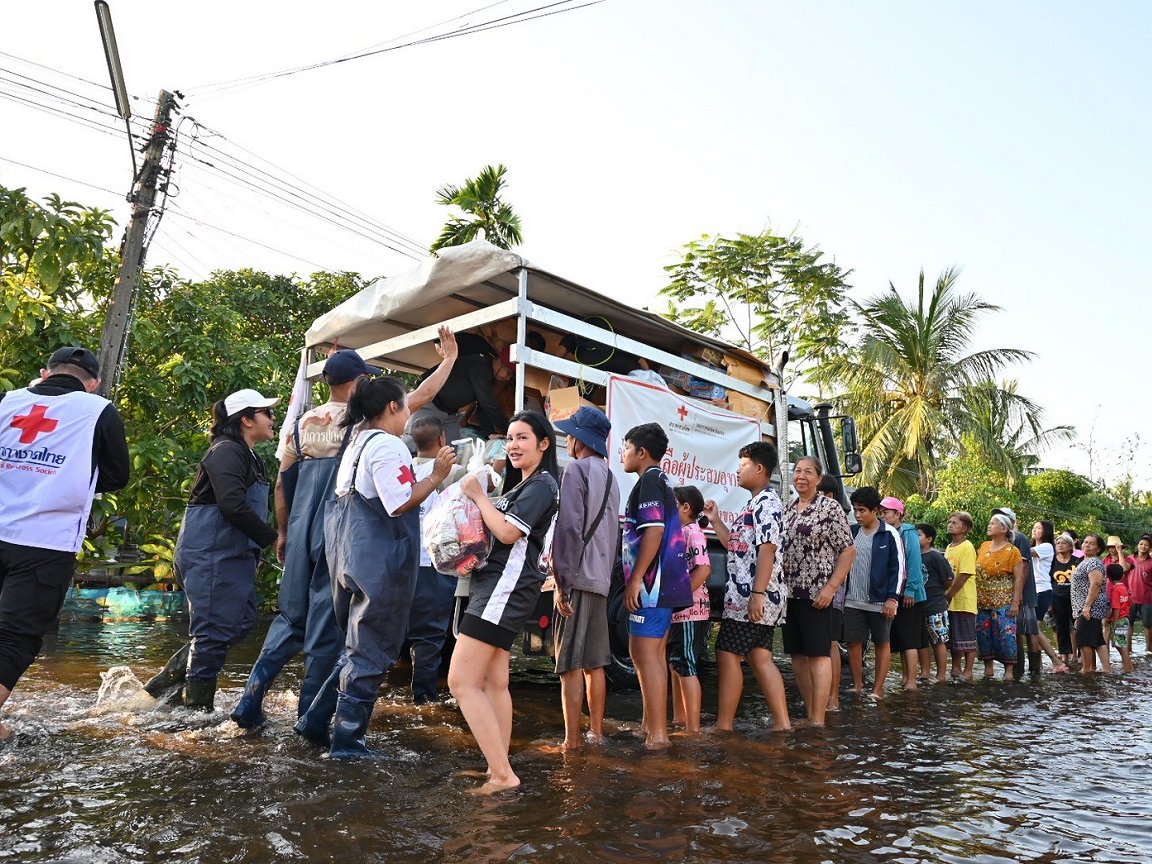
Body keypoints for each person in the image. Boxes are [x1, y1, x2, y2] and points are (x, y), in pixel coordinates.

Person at [231, 331, 458, 728]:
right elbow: (418, 395)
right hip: (336, 532)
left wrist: (283, 534)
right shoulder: (360, 425)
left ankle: (250, 700)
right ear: (356, 387)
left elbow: (284, 483)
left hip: (301, 527)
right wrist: (449, 361)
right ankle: (310, 721)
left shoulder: (301, 425)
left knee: (289, 618)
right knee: (326, 629)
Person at [294, 376, 456, 757]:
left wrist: (447, 362)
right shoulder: (387, 445)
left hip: (346, 554)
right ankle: (348, 743)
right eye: (405, 406)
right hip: (377, 562)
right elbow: (399, 502)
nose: (409, 417)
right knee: (370, 652)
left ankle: (315, 722)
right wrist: (436, 475)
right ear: (393, 408)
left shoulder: (355, 443)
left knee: (355, 648)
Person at [0, 347, 130, 739]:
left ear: (44, 372)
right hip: (46, 541)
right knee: (15, 635)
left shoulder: (7, 401)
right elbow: (116, 475)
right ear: (93, 382)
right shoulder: (97, 409)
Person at [143, 389, 281, 711]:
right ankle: (196, 711)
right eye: (266, 413)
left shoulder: (250, 456)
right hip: (210, 553)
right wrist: (271, 539)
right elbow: (231, 505)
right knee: (212, 632)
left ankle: (166, 684)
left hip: (234, 555)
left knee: (243, 619)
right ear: (246, 419)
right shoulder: (226, 451)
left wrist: (253, 551)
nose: (273, 418)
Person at [446, 410, 560, 792]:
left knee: (461, 681)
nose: (513, 445)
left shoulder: (542, 486)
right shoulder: (523, 485)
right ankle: (499, 765)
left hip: (504, 591)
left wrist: (478, 495)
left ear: (544, 443)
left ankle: (503, 775)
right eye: (509, 438)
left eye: (523, 437)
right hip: (496, 587)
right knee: (495, 683)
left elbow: (509, 533)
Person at [702, 441, 790, 731]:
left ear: (760, 468)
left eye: (743, 466)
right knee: (759, 656)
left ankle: (724, 726)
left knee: (727, 652)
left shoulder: (767, 504)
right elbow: (735, 547)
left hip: (751, 597)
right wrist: (715, 521)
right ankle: (782, 724)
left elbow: (768, 549)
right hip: (749, 596)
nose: (738, 471)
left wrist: (757, 594)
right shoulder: (753, 504)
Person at [620, 423, 694, 748]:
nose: (623, 454)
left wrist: (636, 578)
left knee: (643, 653)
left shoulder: (650, 480)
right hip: (664, 585)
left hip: (653, 584)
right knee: (654, 654)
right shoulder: (660, 480)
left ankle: (659, 736)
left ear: (642, 452)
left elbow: (654, 531)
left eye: (626, 447)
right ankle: (650, 726)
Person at [550, 407, 620, 750]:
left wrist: (562, 582)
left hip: (577, 579)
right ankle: (596, 732)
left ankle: (571, 741)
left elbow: (569, 528)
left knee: (569, 665)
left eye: (570, 434)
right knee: (595, 664)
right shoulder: (611, 476)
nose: (567, 439)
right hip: (601, 582)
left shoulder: (575, 470)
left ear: (579, 439)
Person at [781, 456, 853, 726]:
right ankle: (812, 711)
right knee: (798, 655)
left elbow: (848, 550)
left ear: (818, 478)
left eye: (808, 472)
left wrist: (831, 588)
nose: (801, 476)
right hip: (788, 593)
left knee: (819, 654)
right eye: (797, 471)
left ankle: (819, 718)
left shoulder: (829, 508)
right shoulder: (788, 508)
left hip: (817, 594)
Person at [404, 415, 467, 704]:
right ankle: (423, 700)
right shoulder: (449, 472)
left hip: (402, 563)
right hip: (433, 565)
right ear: (442, 441)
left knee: (394, 633)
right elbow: (487, 479)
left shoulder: (401, 470)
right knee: (429, 637)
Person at [842, 487, 902, 699]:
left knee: (881, 642)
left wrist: (892, 598)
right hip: (852, 599)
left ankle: (878, 689)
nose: (858, 515)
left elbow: (898, 568)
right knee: (853, 642)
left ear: (875, 510)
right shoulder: (851, 532)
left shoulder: (889, 533)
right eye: (855, 510)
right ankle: (858, 685)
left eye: (862, 510)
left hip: (880, 601)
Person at [407, 331, 512, 442]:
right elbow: (487, 402)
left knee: (451, 450)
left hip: (449, 413)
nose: (508, 378)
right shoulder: (481, 365)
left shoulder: (488, 376)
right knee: (416, 443)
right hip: (431, 405)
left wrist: (490, 432)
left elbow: (483, 405)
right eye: (509, 373)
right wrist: (509, 430)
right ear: (500, 362)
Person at [668, 485, 711, 734]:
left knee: (686, 666)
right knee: (676, 664)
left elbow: (703, 569)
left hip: (690, 611)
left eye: (674, 503)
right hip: (680, 610)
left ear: (686, 507)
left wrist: (680, 598)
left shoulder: (692, 533)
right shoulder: (682, 531)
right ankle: (678, 719)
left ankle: (693, 728)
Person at [880, 496, 925, 689]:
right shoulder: (890, 532)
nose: (883, 515)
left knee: (909, 638)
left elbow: (913, 562)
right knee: (900, 637)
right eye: (881, 512)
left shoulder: (908, 532)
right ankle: (906, 677)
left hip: (909, 593)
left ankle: (912, 681)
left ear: (898, 514)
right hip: (897, 593)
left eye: (886, 512)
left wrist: (910, 591)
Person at [974, 513, 1025, 680]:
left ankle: (1009, 670)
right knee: (983, 634)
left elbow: (1019, 578)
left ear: (1004, 528)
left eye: (993, 523)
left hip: (1003, 601)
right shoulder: (983, 546)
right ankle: (988, 669)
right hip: (982, 600)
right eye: (989, 523)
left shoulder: (1012, 551)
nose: (989, 526)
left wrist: (1015, 602)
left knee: (1005, 634)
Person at [944, 511, 979, 681]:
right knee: (954, 637)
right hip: (950, 600)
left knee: (967, 638)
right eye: (950, 522)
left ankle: (969, 670)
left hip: (964, 600)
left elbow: (964, 574)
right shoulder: (949, 547)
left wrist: (950, 594)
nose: (950, 524)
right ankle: (955, 668)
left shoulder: (967, 546)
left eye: (955, 523)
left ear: (965, 528)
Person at [917, 523, 953, 684]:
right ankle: (925, 672)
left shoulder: (936, 556)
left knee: (939, 640)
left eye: (919, 535)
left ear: (929, 539)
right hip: (919, 605)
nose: (915, 538)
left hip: (936, 604)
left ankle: (941, 674)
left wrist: (939, 593)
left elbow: (948, 580)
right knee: (921, 640)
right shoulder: (914, 556)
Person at [1071, 533, 1111, 674]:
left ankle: (1086, 670)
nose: (1087, 545)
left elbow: (1096, 583)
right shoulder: (1086, 561)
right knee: (1098, 640)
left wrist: (1087, 606)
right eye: (1086, 542)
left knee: (1083, 638)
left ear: (1098, 548)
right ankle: (1106, 670)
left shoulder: (1093, 562)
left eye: (1091, 544)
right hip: (1088, 606)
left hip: (1090, 607)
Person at [1048, 532, 1078, 667]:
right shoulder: (1052, 560)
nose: (1060, 545)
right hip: (1057, 597)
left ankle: (1078, 655)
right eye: (1058, 543)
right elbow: (1047, 578)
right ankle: (1064, 655)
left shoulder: (1077, 558)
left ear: (1071, 546)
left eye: (1063, 543)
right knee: (1061, 627)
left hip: (1075, 597)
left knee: (1077, 626)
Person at [1106, 563, 1134, 673]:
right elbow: (1129, 602)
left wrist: (1114, 621)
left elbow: (1116, 607)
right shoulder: (1123, 588)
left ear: (1108, 577)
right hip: (1125, 619)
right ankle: (1130, 668)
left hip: (1119, 620)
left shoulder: (1114, 590)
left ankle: (1128, 671)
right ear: (1122, 576)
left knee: (1122, 648)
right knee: (1121, 646)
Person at [1129, 534, 1152, 653]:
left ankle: (1149, 650)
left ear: (1150, 548)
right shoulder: (1129, 559)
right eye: (1141, 544)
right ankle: (1128, 650)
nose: (1143, 547)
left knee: (1148, 625)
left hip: (1147, 599)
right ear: (1138, 545)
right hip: (1130, 598)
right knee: (1129, 624)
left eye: (1146, 545)